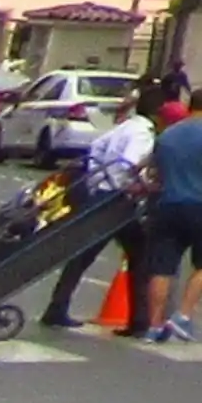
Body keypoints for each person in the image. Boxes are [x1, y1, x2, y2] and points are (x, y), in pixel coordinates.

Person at [46, 78, 159, 328]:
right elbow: (129, 163)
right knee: (139, 256)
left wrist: (97, 178)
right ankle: (139, 320)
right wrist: (138, 184)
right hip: (119, 200)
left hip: (103, 194)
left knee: (85, 254)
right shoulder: (143, 133)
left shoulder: (127, 126)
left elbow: (97, 146)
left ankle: (58, 306)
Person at [140, 80, 202, 343]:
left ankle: (153, 325)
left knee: (162, 268)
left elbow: (153, 171)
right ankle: (182, 315)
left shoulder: (168, 135)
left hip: (167, 206)